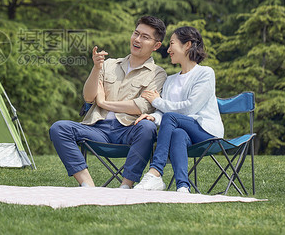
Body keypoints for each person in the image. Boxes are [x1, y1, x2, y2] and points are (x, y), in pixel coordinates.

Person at [49, 16, 167, 188]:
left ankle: (125, 186)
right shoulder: (108, 64)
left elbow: (141, 106)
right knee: (59, 128)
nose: (137, 39)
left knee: (148, 128)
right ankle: (87, 184)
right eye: (136, 34)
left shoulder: (158, 74)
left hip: (128, 130)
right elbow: (89, 98)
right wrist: (96, 68)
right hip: (97, 128)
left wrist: (104, 103)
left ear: (156, 45)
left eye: (145, 37)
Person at [134, 26, 224, 193]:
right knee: (177, 134)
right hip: (185, 133)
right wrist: (153, 117)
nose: (168, 50)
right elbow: (164, 114)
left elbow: (190, 108)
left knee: (171, 118)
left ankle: (155, 172)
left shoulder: (205, 74)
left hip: (207, 131)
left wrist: (158, 101)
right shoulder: (170, 80)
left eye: (172, 44)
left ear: (187, 45)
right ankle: (183, 187)